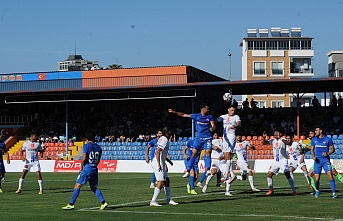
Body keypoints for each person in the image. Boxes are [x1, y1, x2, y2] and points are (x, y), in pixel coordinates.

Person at [168, 104, 215, 193]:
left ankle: (208, 169)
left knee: (208, 152)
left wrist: (212, 128)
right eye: (207, 108)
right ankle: (188, 170)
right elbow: (184, 115)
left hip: (207, 138)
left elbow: (213, 125)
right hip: (198, 138)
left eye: (209, 109)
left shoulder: (210, 117)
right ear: (202, 109)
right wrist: (174, 112)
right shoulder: (196, 116)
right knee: (193, 153)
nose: (208, 110)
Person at [62, 132, 108, 210]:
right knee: (93, 187)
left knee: (77, 185)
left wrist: (81, 167)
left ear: (86, 139)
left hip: (87, 168)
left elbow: (84, 157)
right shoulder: (99, 147)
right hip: (94, 168)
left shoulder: (86, 146)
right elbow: (99, 159)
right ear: (94, 138)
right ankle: (103, 202)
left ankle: (71, 204)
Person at [150, 126, 178, 206]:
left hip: (160, 161)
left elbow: (161, 153)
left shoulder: (162, 138)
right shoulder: (164, 139)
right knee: (161, 181)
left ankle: (168, 199)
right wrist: (159, 164)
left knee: (167, 180)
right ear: (168, 132)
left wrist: (168, 161)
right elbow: (158, 151)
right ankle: (153, 201)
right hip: (157, 162)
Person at [262, 128, 296, 196]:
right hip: (275, 161)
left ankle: (294, 190)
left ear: (280, 134)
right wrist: (264, 137)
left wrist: (281, 138)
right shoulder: (273, 140)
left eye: (276, 132)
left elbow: (288, 143)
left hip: (283, 161)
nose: (275, 134)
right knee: (269, 175)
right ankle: (271, 190)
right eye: (274, 132)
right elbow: (264, 143)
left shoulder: (283, 140)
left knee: (287, 175)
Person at [310, 126, 336, 198]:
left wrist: (327, 153)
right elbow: (312, 150)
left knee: (330, 175)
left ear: (321, 131)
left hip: (325, 160)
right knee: (316, 179)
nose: (315, 132)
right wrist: (313, 156)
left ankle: (334, 193)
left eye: (316, 130)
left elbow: (332, 149)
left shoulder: (328, 139)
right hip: (317, 161)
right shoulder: (314, 139)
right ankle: (317, 190)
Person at [217, 105, 241, 183]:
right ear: (228, 110)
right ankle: (232, 175)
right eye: (231, 110)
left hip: (231, 137)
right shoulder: (223, 116)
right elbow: (216, 120)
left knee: (228, 155)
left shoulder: (236, 116)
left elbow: (239, 123)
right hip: (225, 137)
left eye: (234, 110)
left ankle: (226, 175)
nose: (233, 111)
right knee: (227, 156)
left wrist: (234, 126)